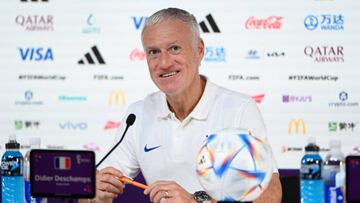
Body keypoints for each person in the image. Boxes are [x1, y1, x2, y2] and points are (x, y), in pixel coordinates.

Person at [94, 7, 282, 203]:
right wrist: (93, 195)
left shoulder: (238, 109)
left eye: (174, 48)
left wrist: (196, 201)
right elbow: (99, 186)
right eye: (154, 52)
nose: (164, 63)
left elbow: (270, 196)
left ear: (199, 50)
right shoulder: (138, 114)